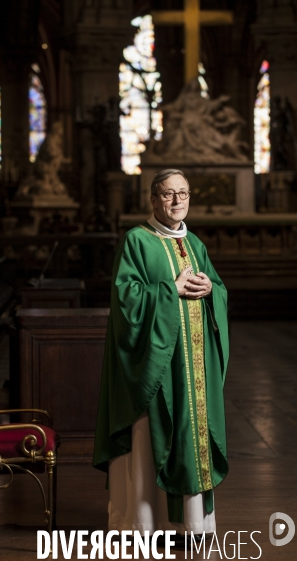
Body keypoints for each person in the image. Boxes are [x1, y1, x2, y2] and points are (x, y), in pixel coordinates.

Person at [93, 168, 229, 540]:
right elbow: (126, 299)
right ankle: (143, 522)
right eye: (168, 194)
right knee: (150, 437)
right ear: (153, 199)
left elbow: (217, 287)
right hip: (155, 366)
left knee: (191, 433)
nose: (177, 201)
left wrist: (210, 290)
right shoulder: (137, 241)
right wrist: (170, 289)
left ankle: (194, 523)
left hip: (193, 367)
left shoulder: (195, 244)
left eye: (183, 194)